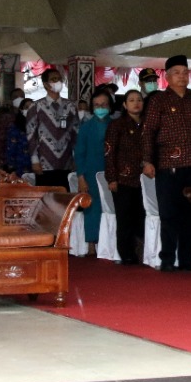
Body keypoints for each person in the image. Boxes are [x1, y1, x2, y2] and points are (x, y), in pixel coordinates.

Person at [141, 54, 191, 271]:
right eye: (177, 73)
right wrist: (147, 161)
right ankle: (168, 259)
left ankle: (187, 259)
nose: (182, 77)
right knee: (169, 214)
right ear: (167, 77)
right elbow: (148, 132)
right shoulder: (158, 100)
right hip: (167, 167)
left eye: (185, 72)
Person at [105, 89, 146, 264]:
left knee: (141, 216)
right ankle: (126, 254)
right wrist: (112, 178)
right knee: (125, 218)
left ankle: (141, 251)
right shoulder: (117, 125)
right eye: (131, 100)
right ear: (124, 104)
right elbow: (109, 152)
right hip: (123, 179)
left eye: (139, 100)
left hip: (144, 179)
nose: (136, 103)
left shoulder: (148, 125)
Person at [74, 89, 114, 255]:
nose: (100, 107)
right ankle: (92, 243)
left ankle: (111, 243)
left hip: (112, 173)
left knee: (112, 208)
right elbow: (79, 153)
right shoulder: (85, 127)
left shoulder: (116, 125)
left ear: (110, 106)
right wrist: (81, 177)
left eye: (104, 104)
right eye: (97, 105)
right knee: (93, 208)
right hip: (91, 172)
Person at [26, 67, 78, 189]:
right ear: (45, 84)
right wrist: (35, 161)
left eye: (59, 79)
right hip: (44, 163)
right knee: (46, 198)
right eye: (54, 79)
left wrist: (76, 158)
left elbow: (76, 133)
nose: (57, 82)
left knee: (63, 198)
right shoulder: (36, 106)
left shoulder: (70, 106)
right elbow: (31, 135)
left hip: (66, 162)